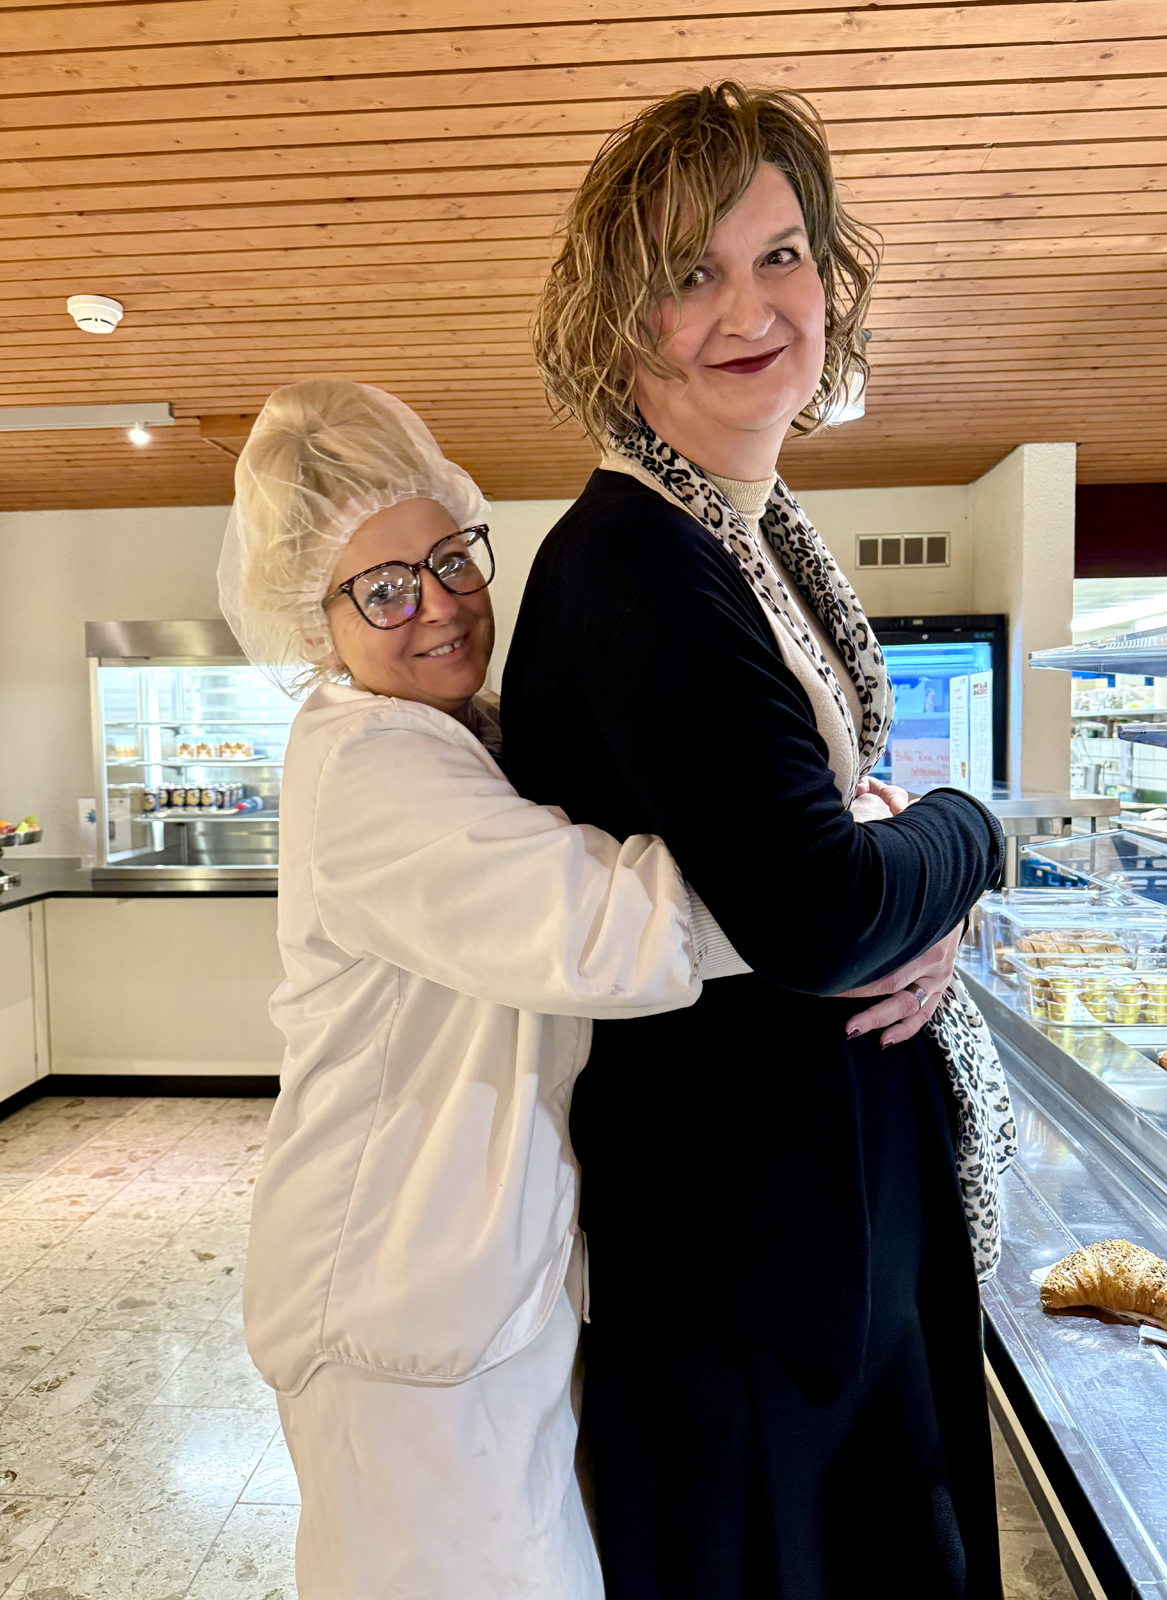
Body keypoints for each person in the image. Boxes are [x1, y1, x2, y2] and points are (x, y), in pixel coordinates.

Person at [502, 83, 1014, 1599]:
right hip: (749, 1249)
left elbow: (831, 852)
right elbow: (815, 904)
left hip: (807, 1216)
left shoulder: (738, 527)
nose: (751, 307)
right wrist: (971, 834)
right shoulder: (639, 564)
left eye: (781, 256)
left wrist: (910, 887)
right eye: (691, 272)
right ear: (620, 321)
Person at [216, 377, 749, 1599]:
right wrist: (850, 872)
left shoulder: (467, 733)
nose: (442, 606)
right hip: (399, 1316)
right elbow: (615, 928)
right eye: (384, 588)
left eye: (451, 558)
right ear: (315, 621)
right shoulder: (369, 765)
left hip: (469, 1292)